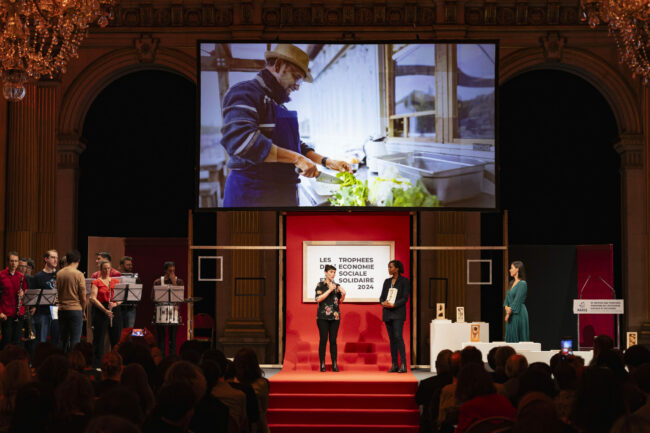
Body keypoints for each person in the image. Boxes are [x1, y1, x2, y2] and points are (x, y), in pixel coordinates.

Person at [220, 43, 351, 207]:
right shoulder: (245, 93)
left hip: (282, 195)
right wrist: (297, 159)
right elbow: (243, 142)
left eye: (300, 81)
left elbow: (295, 145)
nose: (297, 86)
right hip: (251, 197)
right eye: (296, 77)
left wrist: (327, 161)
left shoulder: (278, 105)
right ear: (278, 65)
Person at [379, 260, 410, 373]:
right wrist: (383, 302)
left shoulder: (404, 281)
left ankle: (403, 365)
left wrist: (394, 304)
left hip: (398, 313)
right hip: (387, 313)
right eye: (388, 267)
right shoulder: (387, 281)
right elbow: (381, 297)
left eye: (391, 267)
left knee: (398, 337)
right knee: (392, 340)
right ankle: (394, 365)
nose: (389, 269)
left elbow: (405, 298)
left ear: (397, 268)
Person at [315, 264, 346, 372]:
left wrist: (344, 294)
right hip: (322, 317)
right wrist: (329, 290)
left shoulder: (337, 286)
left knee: (333, 340)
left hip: (335, 317)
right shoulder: (320, 285)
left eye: (334, 272)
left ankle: (334, 364)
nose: (333, 274)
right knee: (323, 340)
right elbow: (318, 299)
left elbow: (339, 301)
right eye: (331, 272)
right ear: (325, 272)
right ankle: (322, 364)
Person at [89, 260, 120, 365]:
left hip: (114, 309)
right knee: (99, 338)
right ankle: (97, 364)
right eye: (104, 269)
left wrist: (115, 304)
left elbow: (121, 298)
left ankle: (115, 363)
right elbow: (93, 298)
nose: (107, 271)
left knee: (116, 338)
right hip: (101, 310)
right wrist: (105, 310)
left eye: (108, 268)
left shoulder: (115, 281)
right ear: (100, 270)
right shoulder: (96, 282)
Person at [56, 250, 87, 352]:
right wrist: (83, 311)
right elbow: (83, 297)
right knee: (75, 340)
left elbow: (57, 292)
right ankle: (73, 361)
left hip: (61, 309)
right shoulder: (79, 274)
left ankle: (61, 360)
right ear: (78, 260)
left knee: (62, 339)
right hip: (75, 310)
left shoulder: (59, 273)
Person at [153, 261, 184, 356]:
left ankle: (172, 358)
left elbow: (180, 298)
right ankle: (161, 359)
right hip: (161, 312)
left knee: (173, 339)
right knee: (161, 339)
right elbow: (152, 297)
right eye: (170, 271)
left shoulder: (179, 282)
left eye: (174, 271)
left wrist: (174, 282)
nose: (172, 273)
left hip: (174, 312)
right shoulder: (158, 282)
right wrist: (159, 300)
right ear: (165, 271)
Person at [0, 252, 27, 349]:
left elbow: (25, 293)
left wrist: (22, 294)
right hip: (6, 314)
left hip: (19, 314)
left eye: (16, 261)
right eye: (12, 261)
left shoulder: (21, 276)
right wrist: (0, 312)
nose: (14, 263)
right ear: (8, 262)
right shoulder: (1, 275)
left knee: (17, 342)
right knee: (6, 342)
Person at [32, 250, 58, 344]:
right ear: (46, 259)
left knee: (56, 338)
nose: (55, 260)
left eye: (56, 257)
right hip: (43, 311)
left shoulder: (60, 274)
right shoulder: (38, 276)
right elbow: (34, 296)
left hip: (56, 309)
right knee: (42, 340)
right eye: (53, 257)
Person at [504, 261, 530, 343]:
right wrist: (506, 307)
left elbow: (517, 300)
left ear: (517, 269)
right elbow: (507, 299)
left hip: (518, 313)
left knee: (518, 337)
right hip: (511, 313)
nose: (510, 270)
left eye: (511, 268)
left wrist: (508, 313)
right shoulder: (511, 283)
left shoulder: (522, 284)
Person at [118, 255, 140, 328]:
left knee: (129, 330)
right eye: (128, 265)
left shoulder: (136, 278)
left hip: (131, 308)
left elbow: (138, 293)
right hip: (119, 308)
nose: (130, 266)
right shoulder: (117, 277)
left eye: (131, 265)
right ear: (121, 266)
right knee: (119, 331)